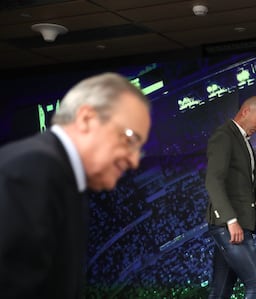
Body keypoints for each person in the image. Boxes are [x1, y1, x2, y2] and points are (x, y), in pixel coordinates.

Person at [0, 72, 151, 299]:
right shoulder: (34, 170)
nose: (134, 160)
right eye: (129, 139)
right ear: (87, 119)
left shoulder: (65, 177)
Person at [205, 95, 256, 299]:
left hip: (237, 225)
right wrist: (231, 220)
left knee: (220, 291)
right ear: (245, 112)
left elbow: (244, 178)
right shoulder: (224, 136)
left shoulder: (241, 139)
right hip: (231, 226)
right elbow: (213, 181)